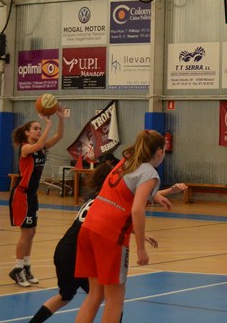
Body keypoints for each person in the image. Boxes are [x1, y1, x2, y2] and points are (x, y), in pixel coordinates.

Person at [28, 159, 188, 323]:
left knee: (67, 296)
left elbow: (141, 196)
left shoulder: (96, 198)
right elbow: (134, 203)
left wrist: (142, 232)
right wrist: (140, 243)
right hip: (85, 248)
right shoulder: (112, 200)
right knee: (111, 297)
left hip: (64, 249)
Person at [74, 130, 173, 323]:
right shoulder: (149, 173)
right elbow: (137, 210)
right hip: (111, 235)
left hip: (89, 228)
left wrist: (154, 194)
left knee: (95, 295)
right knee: (115, 300)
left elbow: (127, 186)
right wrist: (141, 248)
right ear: (160, 152)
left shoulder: (126, 161)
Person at [8, 105, 66, 288]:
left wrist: (61, 118)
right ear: (27, 133)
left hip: (32, 195)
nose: (39, 130)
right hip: (21, 194)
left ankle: (26, 266)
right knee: (25, 233)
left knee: (32, 233)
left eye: (40, 128)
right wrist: (48, 123)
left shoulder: (42, 148)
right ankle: (17, 269)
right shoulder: (26, 148)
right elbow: (39, 144)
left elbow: (59, 136)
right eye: (36, 128)